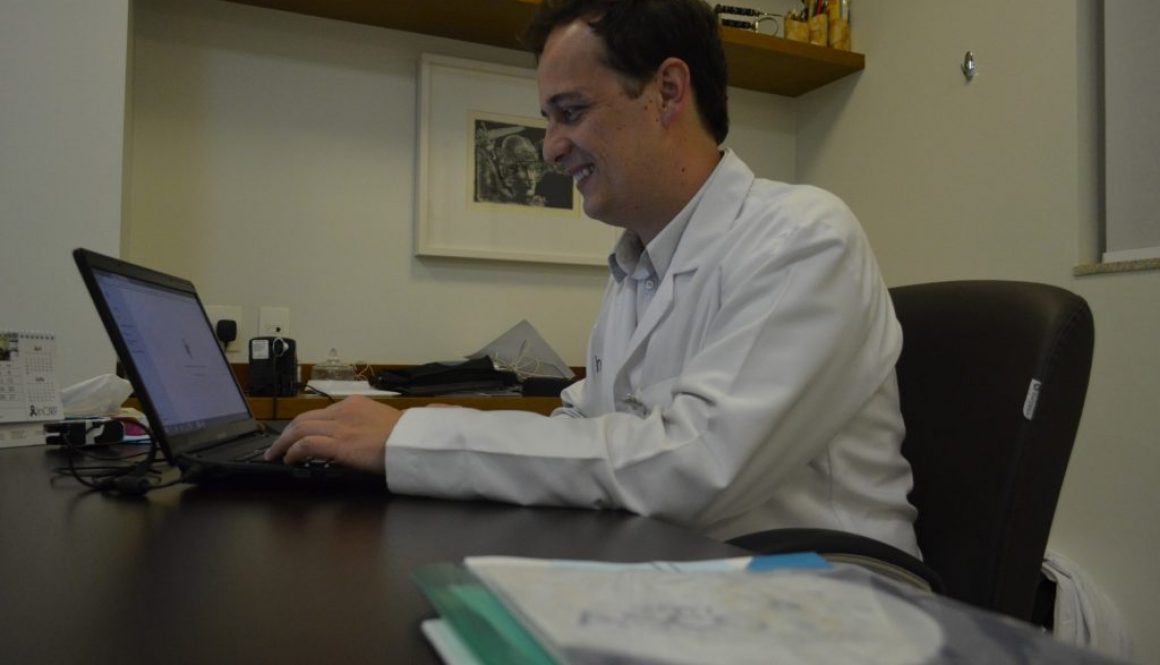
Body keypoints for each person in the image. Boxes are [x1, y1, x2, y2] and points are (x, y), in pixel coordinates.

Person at [267, 0, 919, 556]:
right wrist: (444, 425)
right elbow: (590, 429)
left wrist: (416, 438)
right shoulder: (637, 265)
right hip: (687, 575)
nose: (550, 146)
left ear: (667, 91)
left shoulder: (804, 239)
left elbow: (695, 467)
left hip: (832, 598)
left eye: (570, 111)